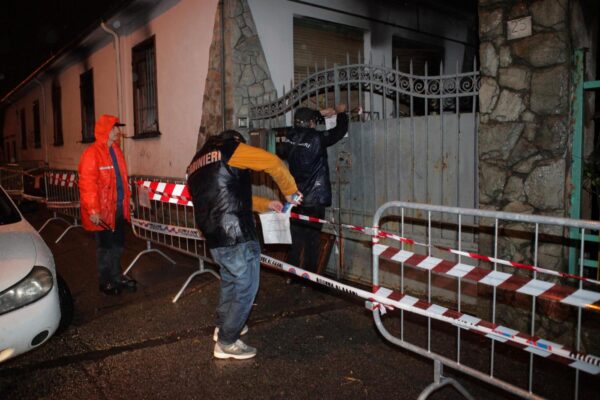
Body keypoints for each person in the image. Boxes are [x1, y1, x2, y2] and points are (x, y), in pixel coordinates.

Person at [187, 130, 301, 360]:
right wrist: (290, 192)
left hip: (215, 235)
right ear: (237, 141)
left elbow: (224, 196)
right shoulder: (230, 149)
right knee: (246, 287)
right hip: (236, 233)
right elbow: (272, 162)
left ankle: (223, 326)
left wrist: (266, 204)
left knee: (230, 282)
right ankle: (227, 341)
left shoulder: (195, 164)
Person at [280, 103, 348, 278]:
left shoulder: (290, 136)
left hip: (296, 197)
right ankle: (309, 277)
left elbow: (302, 123)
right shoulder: (317, 138)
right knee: (312, 239)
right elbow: (339, 132)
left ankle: (293, 276)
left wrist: (319, 113)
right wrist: (341, 113)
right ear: (311, 123)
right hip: (315, 198)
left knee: (296, 238)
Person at [78, 114, 137, 296]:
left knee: (118, 245)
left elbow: (121, 180)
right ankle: (106, 282)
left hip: (117, 208)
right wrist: (93, 210)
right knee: (105, 248)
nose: (118, 131)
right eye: (115, 128)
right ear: (106, 130)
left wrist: (129, 199)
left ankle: (117, 277)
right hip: (102, 213)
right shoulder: (92, 154)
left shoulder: (116, 151)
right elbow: (87, 184)